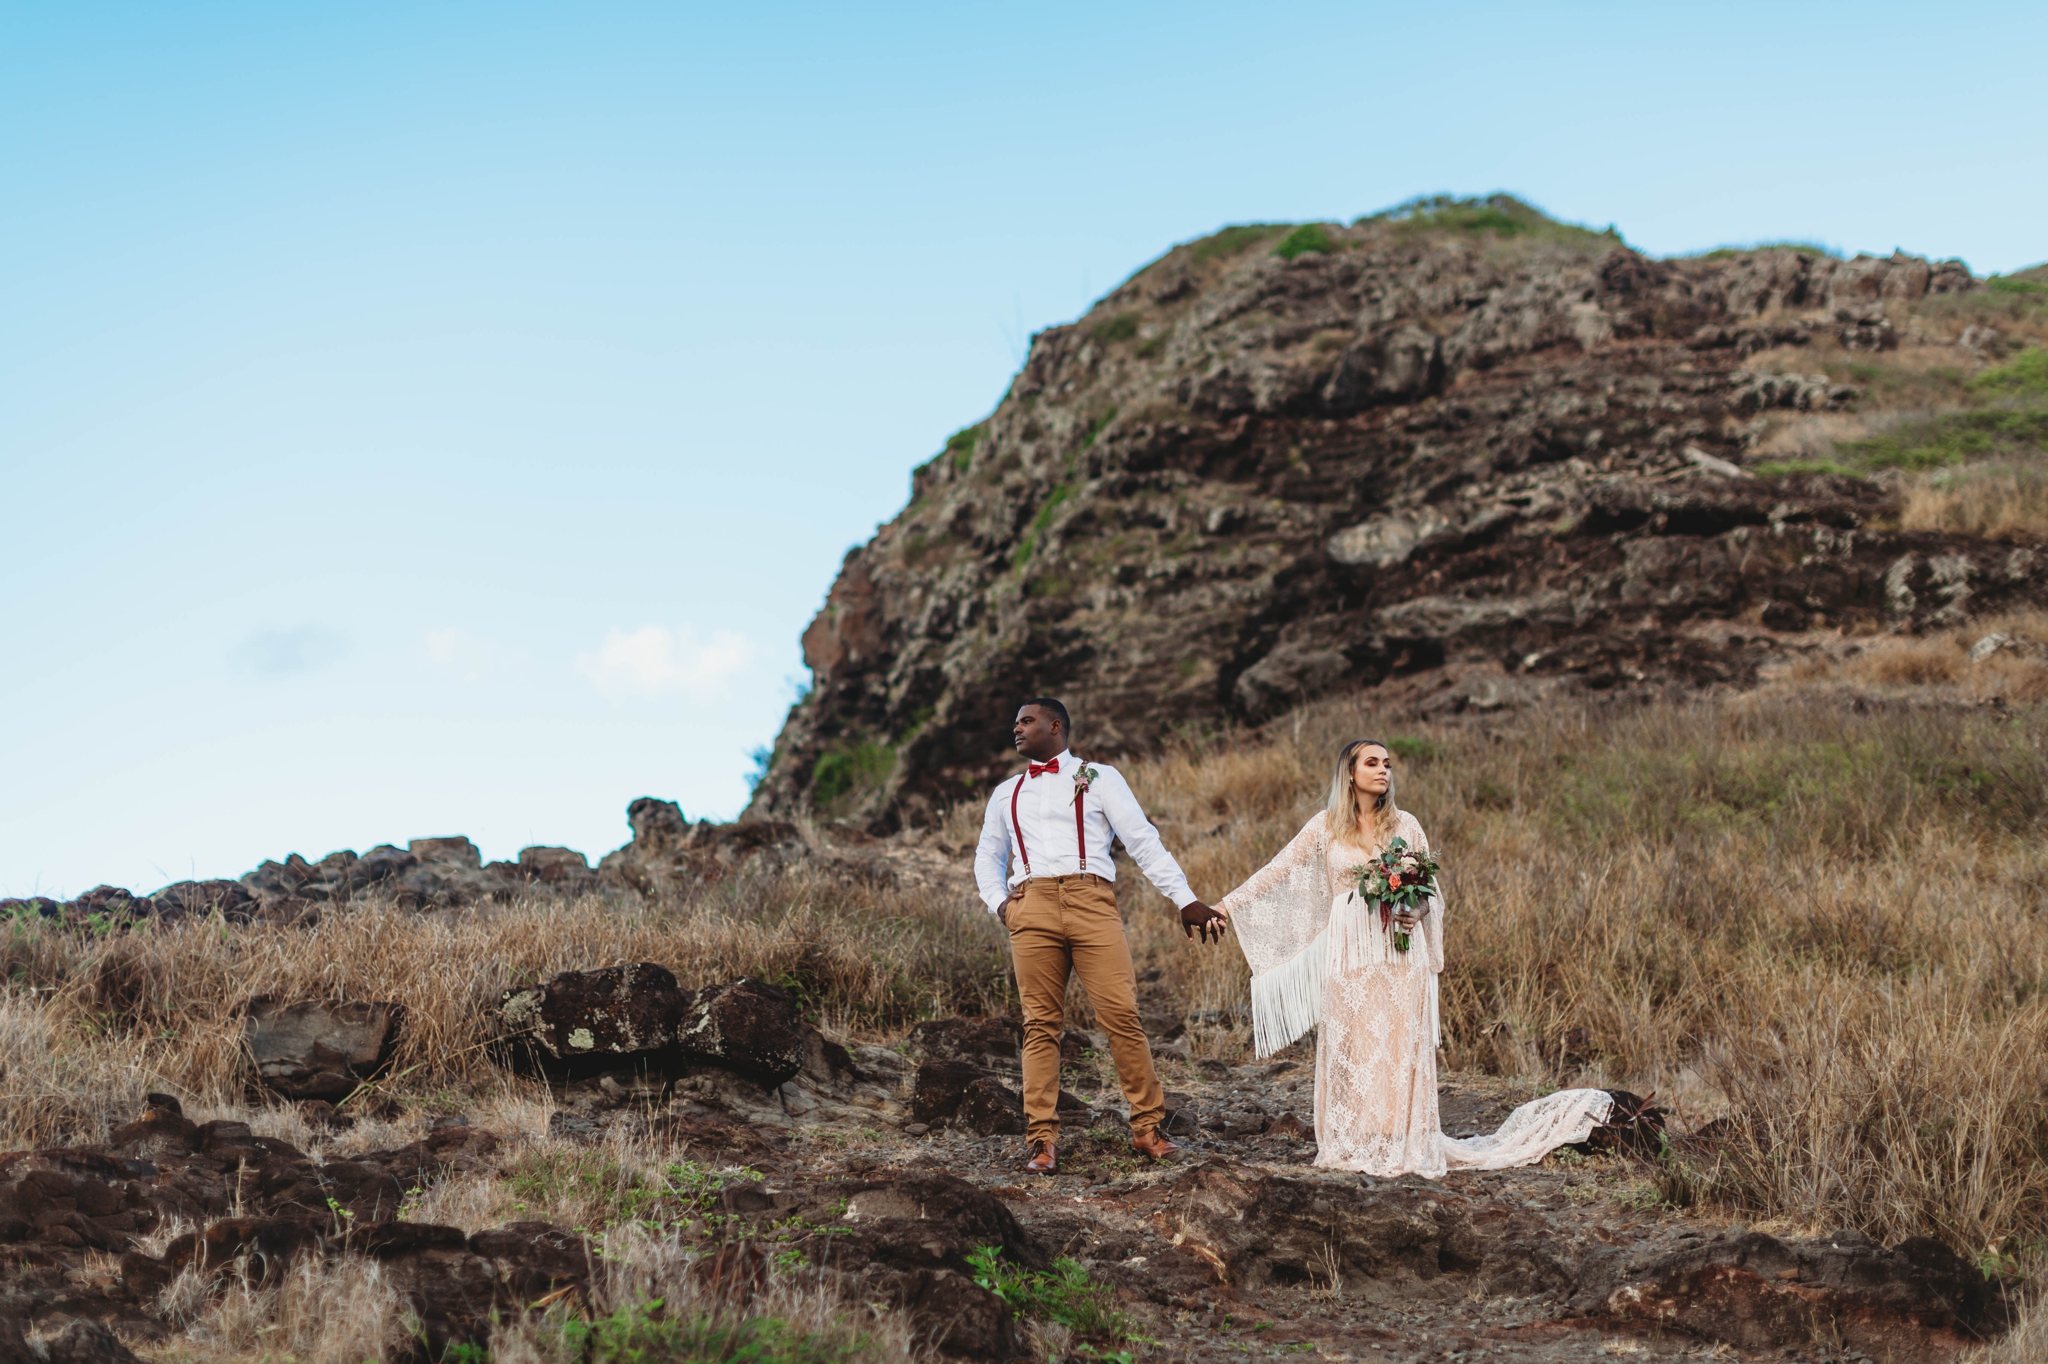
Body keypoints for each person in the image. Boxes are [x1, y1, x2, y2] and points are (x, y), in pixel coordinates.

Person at [1216, 738, 1614, 1177]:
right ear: (1350, 774)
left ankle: (1399, 1138)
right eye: (1372, 763)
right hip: (1350, 948)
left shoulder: (1406, 824)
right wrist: (1224, 907)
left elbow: (1432, 892)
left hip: (1400, 948)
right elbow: (1278, 870)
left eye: (1387, 763)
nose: (1383, 769)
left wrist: (1418, 909)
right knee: (1354, 1039)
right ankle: (1358, 1138)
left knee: (1399, 1039)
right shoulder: (1325, 825)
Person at [974, 697, 1227, 1175]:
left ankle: (1147, 1129)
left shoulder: (1100, 777)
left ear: (1055, 725)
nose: (1017, 728)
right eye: (1015, 723)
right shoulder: (1005, 792)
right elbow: (988, 855)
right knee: (1039, 1025)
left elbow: (1142, 841)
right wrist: (1003, 905)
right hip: (1031, 906)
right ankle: (1042, 1142)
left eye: (1026, 721)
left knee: (1121, 1014)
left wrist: (1185, 899)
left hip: (1093, 902)